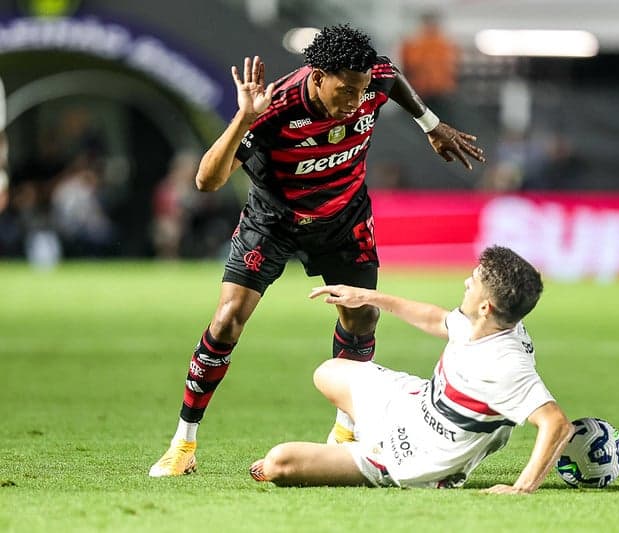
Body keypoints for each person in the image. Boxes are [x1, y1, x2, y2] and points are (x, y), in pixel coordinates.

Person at [149, 25, 485, 477]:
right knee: (227, 320)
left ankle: (344, 435)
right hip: (273, 223)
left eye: (361, 91)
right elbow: (206, 181)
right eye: (346, 90)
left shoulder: (373, 79)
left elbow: (391, 78)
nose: (356, 101)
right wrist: (243, 119)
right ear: (319, 76)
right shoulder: (275, 109)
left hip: (343, 220)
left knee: (362, 317)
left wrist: (431, 124)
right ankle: (183, 444)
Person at [249, 246, 574, 492]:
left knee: (278, 463)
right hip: (412, 406)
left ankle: (354, 454)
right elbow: (436, 319)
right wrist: (366, 296)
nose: (466, 282)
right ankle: (344, 440)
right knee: (328, 372)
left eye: (473, 281)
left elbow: (557, 424)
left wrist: (522, 488)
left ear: (486, 307)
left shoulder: (504, 363)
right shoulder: (488, 321)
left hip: (412, 458)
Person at [399, 12, 460, 116]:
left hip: (439, 90)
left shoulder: (445, 44)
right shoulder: (413, 44)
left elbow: (452, 67)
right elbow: (408, 66)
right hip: (422, 89)